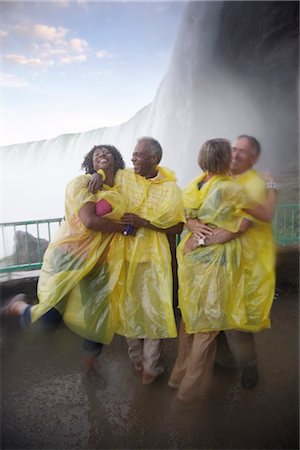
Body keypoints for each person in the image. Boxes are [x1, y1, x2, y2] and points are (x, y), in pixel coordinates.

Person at [3, 144, 132, 371]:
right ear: (90, 163)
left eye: (106, 152)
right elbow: (89, 221)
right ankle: (18, 306)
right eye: (96, 154)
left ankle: (89, 364)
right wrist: (123, 227)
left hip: (100, 263)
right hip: (69, 256)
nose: (101, 154)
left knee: (98, 319)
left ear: (116, 159)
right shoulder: (81, 184)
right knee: (49, 319)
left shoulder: (124, 187)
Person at [184, 135, 277, 390]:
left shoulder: (253, 185)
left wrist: (198, 242)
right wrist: (190, 223)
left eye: (243, 152)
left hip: (241, 263)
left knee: (237, 322)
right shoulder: (213, 177)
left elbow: (236, 230)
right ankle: (221, 362)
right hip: (212, 264)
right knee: (214, 315)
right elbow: (188, 207)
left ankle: (249, 366)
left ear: (254, 158)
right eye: (233, 149)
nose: (235, 155)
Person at [91, 137, 185, 384]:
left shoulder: (171, 189)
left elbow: (177, 227)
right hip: (123, 254)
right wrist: (100, 174)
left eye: (138, 155)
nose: (132, 159)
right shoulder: (125, 177)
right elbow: (107, 176)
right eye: (132, 155)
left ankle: (151, 366)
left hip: (154, 258)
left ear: (153, 159)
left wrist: (145, 223)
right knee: (127, 307)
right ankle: (137, 359)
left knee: (155, 309)